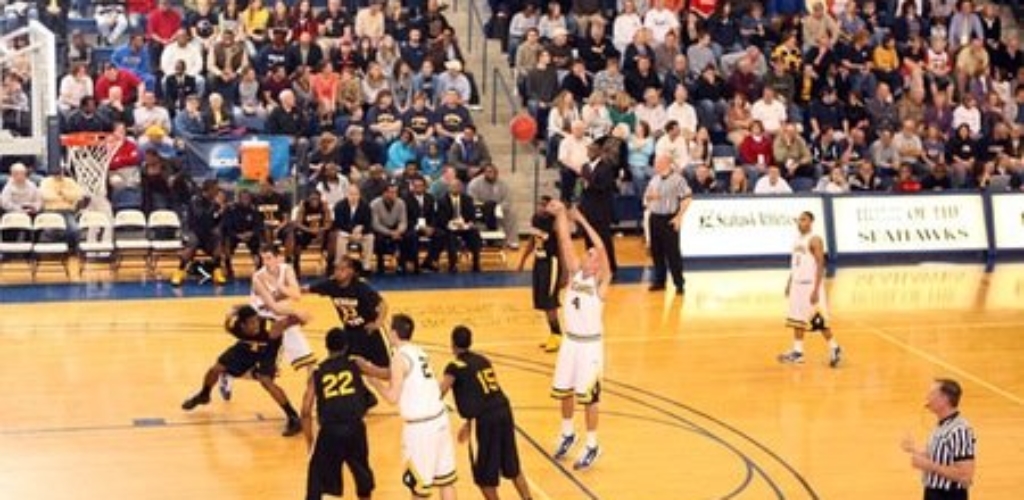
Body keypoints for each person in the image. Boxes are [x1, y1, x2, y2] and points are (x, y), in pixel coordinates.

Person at [361, 314, 458, 500]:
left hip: (421, 429)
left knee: (419, 488)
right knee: (446, 482)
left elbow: (392, 397)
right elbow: (399, 375)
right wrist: (374, 370)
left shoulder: (399, 357)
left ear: (394, 333)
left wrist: (374, 383)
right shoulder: (419, 351)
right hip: (440, 420)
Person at [548, 200, 609, 470]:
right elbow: (564, 240)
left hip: (590, 347)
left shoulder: (601, 282)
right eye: (589, 254)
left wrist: (582, 221)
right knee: (564, 390)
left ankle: (593, 444)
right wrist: (562, 214)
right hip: (570, 342)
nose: (590, 256)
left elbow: (604, 250)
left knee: (589, 397)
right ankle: (567, 433)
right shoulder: (574, 275)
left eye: (594, 256)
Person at [181, 305, 304, 436]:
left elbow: (293, 320)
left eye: (257, 321)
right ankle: (204, 395)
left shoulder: (270, 326)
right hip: (246, 345)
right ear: (242, 325)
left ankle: (293, 417)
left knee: (265, 380)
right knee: (216, 369)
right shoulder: (233, 326)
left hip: (269, 349)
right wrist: (233, 310)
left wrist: (298, 316)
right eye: (251, 323)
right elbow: (230, 321)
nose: (256, 325)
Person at [439, 326, 532, 500]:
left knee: (484, 476)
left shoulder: (454, 366)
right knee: (512, 466)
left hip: (488, 420)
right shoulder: (483, 360)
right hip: (504, 411)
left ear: (452, 344)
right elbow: (483, 392)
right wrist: (468, 423)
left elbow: (440, 392)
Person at [302, 328, 376, 500]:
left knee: (320, 479)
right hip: (355, 428)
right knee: (362, 475)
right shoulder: (355, 364)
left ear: (326, 346)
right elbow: (383, 375)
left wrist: (310, 442)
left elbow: (305, 410)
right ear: (346, 346)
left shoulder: (318, 371)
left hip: (330, 430)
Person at [305, 256, 391, 374]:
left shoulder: (361, 288)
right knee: (346, 368)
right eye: (336, 269)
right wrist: (284, 293)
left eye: (342, 269)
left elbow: (383, 305)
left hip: (368, 333)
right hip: (349, 333)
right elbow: (307, 289)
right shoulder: (331, 285)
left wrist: (378, 323)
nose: (337, 272)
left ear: (350, 271)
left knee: (385, 369)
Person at [777, 212, 842, 367]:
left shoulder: (815, 240)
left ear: (811, 222)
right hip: (797, 285)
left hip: (810, 285)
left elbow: (820, 265)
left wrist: (816, 289)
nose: (800, 222)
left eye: (804, 220)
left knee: (818, 321)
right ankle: (798, 352)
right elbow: (795, 264)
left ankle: (834, 347)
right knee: (797, 319)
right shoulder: (797, 240)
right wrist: (789, 282)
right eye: (799, 220)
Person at [901, 379, 977, 500]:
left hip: (949, 496)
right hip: (933, 493)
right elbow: (939, 457)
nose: (927, 398)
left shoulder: (959, 430)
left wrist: (929, 466)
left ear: (944, 399)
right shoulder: (942, 425)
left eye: (931, 394)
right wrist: (914, 449)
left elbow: (966, 476)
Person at [517, 195, 564, 353]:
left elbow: (563, 246)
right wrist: (523, 260)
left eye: (546, 205)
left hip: (553, 262)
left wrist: (564, 272)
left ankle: (557, 335)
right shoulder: (536, 219)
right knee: (542, 301)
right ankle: (554, 334)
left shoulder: (556, 222)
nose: (543, 208)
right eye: (540, 205)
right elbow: (532, 240)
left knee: (551, 301)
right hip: (540, 262)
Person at [644, 155, 691, 294]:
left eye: (657, 162)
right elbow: (647, 197)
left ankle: (679, 283)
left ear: (667, 163)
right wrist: (650, 197)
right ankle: (660, 281)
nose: (655, 165)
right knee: (656, 251)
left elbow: (687, 198)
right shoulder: (654, 179)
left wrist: (679, 217)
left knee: (672, 253)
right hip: (655, 217)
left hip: (669, 218)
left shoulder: (678, 180)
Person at [172, 179, 227, 286]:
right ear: (209, 190)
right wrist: (217, 208)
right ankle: (179, 272)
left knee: (218, 241)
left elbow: (215, 221)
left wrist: (220, 213)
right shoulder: (195, 200)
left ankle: (217, 271)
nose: (217, 192)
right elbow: (201, 218)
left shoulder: (214, 203)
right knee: (192, 244)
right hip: (193, 231)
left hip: (207, 233)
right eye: (215, 190)